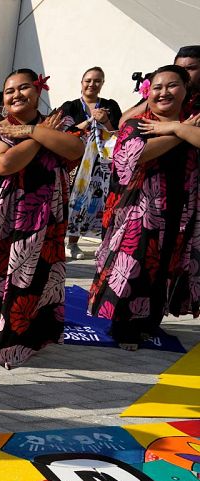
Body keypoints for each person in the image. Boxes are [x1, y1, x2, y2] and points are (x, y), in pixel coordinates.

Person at [0, 69, 84, 369]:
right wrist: (41, 136)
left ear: (38, 91)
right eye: (9, 91)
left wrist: (31, 131)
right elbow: (4, 164)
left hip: (43, 222)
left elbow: (75, 150)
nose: (16, 95)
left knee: (36, 280)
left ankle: (27, 339)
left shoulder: (60, 124)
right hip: (0, 222)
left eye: (23, 88)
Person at [89, 64, 200, 351]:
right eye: (157, 87)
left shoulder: (192, 121)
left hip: (181, 208)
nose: (163, 92)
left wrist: (175, 126)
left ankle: (149, 321)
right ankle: (123, 326)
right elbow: (135, 156)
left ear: (186, 90)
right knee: (134, 263)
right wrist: (180, 132)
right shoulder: (137, 124)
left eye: (172, 85)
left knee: (165, 265)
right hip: (140, 209)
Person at [59, 66, 122, 260]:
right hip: (77, 162)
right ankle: (72, 242)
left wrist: (106, 121)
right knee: (76, 200)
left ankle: (104, 242)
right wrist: (89, 121)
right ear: (81, 82)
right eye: (88, 80)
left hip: (101, 163)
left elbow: (119, 133)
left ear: (102, 84)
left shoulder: (110, 106)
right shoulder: (70, 107)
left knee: (102, 201)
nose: (92, 84)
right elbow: (64, 133)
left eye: (97, 81)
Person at [120, 45, 200, 127]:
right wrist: (155, 98)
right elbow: (122, 124)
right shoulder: (161, 93)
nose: (184, 73)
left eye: (190, 68)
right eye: (178, 69)